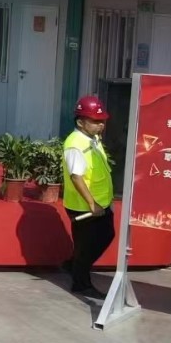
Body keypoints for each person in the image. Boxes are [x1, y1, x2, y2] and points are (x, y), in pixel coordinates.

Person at [63, 95, 115, 299]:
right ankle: (81, 284)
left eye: (102, 121)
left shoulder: (92, 138)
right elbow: (76, 177)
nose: (101, 125)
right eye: (95, 121)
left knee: (105, 236)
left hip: (100, 202)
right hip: (85, 206)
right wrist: (92, 204)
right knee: (86, 247)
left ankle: (74, 265)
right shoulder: (76, 144)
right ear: (80, 122)